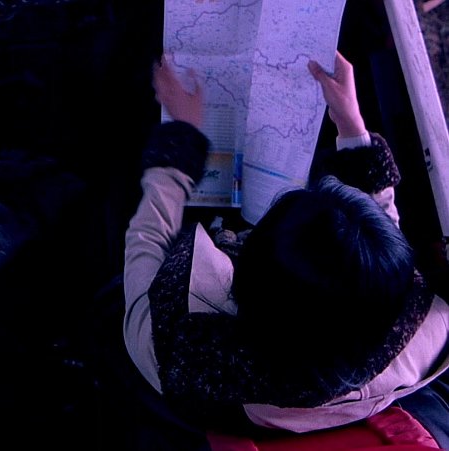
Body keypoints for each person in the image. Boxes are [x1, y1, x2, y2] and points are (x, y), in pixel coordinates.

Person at [123, 51, 449, 440]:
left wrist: (182, 138)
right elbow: (377, 260)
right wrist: (351, 124)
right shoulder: (426, 333)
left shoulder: (175, 352)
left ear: (244, 279)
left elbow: (145, 242)